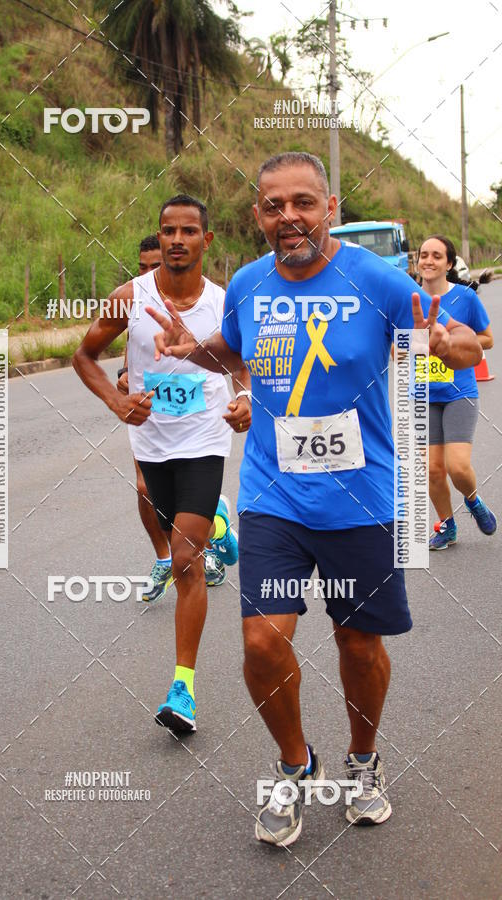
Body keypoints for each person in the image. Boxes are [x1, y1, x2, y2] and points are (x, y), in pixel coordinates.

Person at [147, 152, 482, 845]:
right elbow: (230, 348)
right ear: (258, 215)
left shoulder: (381, 283)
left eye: (302, 202)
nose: (288, 217)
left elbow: (438, 343)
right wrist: (191, 351)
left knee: (358, 644)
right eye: (274, 206)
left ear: (329, 207)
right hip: (273, 496)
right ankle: (295, 765)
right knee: (261, 642)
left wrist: (451, 346)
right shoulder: (247, 284)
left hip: (362, 499)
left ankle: (364, 760)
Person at [73, 194, 251, 734]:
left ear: (206, 240)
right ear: (159, 237)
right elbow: (84, 356)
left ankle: (182, 689)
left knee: (184, 561)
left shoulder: (224, 302)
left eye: (189, 231)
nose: (177, 240)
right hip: (151, 444)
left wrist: (243, 397)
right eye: (168, 231)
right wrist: (117, 400)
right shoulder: (130, 298)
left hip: (203, 440)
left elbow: (242, 365)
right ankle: (217, 524)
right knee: (176, 536)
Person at [117, 237, 228, 596]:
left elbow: (234, 356)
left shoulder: (212, 299)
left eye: (155, 266)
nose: (149, 274)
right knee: (144, 487)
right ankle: (165, 557)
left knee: (189, 497)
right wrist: (122, 377)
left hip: (199, 417)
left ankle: (212, 535)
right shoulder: (133, 298)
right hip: (151, 412)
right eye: (142, 267)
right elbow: (134, 344)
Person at [417, 235, 496, 549]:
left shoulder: (465, 297)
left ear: (448, 264)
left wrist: (453, 344)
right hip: (421, 395)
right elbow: (397, 346)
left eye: (436, 255)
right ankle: (447, 526)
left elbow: (487, 339)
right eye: (424, 255)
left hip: (459, 391)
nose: (428, 260)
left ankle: (473, 501)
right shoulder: (408, 298)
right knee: (433, 469)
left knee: (457, 466)